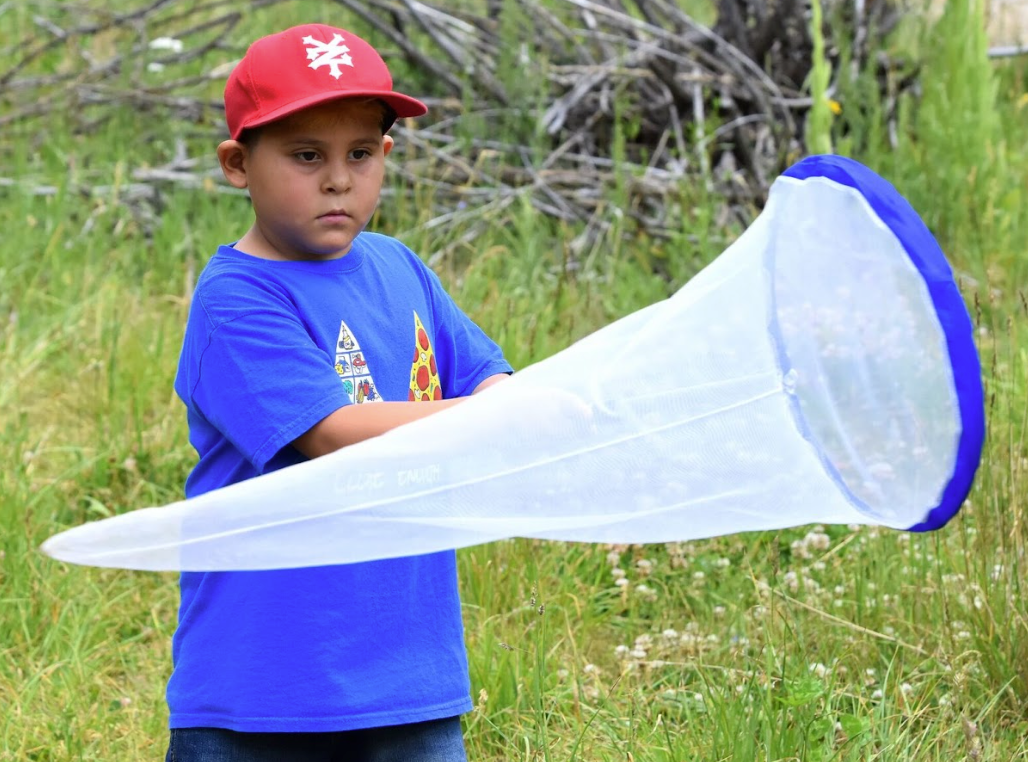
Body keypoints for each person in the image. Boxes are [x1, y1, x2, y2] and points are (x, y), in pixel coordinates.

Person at [166, 22, 512, 762]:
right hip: (264, 694)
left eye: (360, 154)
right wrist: (493, 418)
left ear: (386, 155)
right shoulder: (237, 298)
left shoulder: (399, 266)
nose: (337, 179)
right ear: (238, 164)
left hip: (410, 678)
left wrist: (514, 402)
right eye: (305, 156)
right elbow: (328, 430)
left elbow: (487, 371)